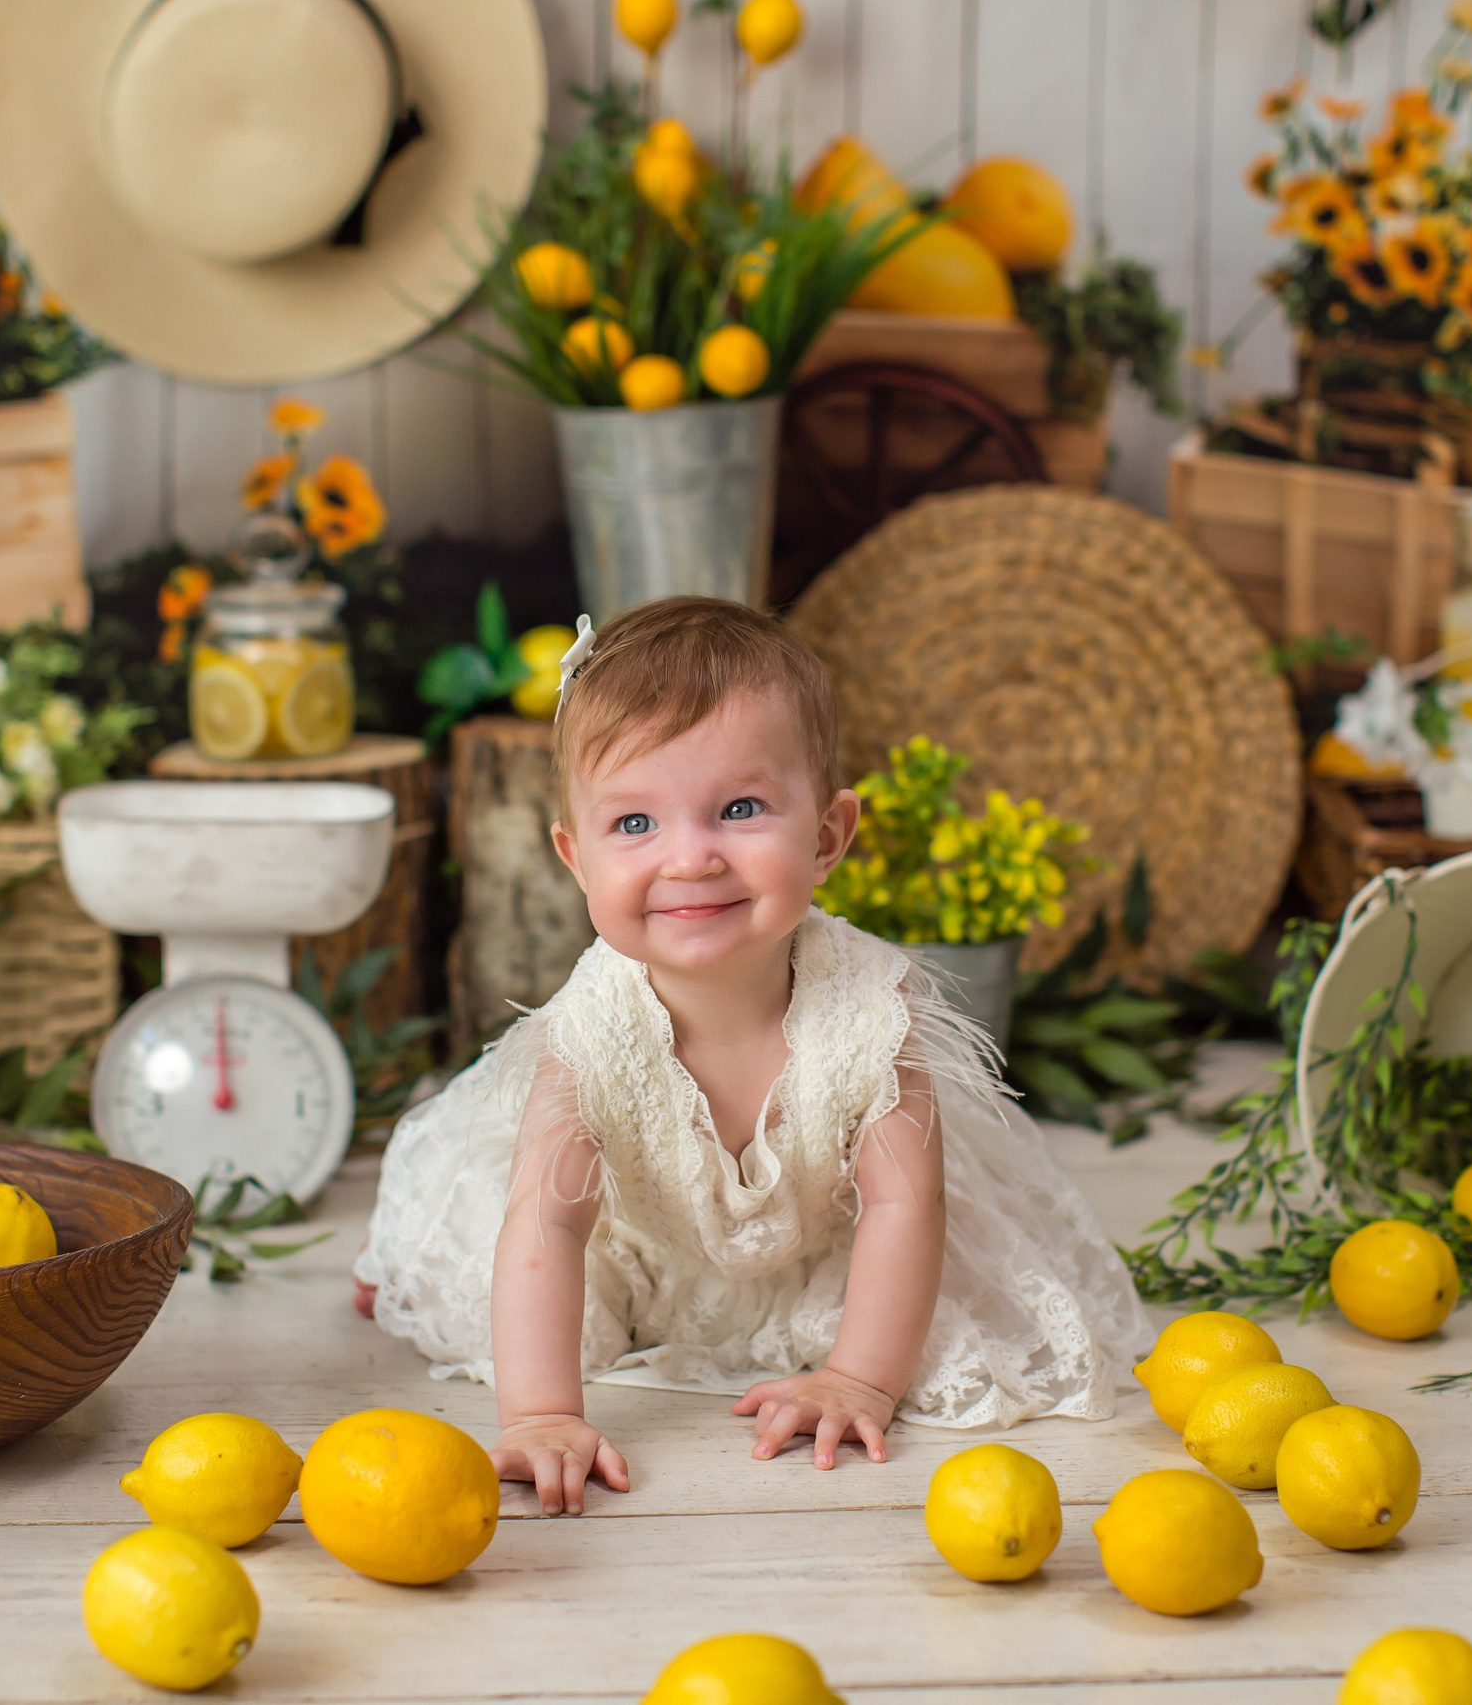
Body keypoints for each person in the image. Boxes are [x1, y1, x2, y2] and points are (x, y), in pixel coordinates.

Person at [355, 596, 1150, 1514]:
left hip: (827, 1237)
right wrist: (540, 1415)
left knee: (952, 1299)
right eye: (635, 825)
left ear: (826, 838)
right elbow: (549, 1227)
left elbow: (903, 1204)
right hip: (636, 1238)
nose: (690, 858)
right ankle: (394, 1262)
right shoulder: (590, 1034)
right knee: (476, 1247)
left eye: (738, 808)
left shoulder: (870, 1010)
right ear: (575, 859)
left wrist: (858, 1380)